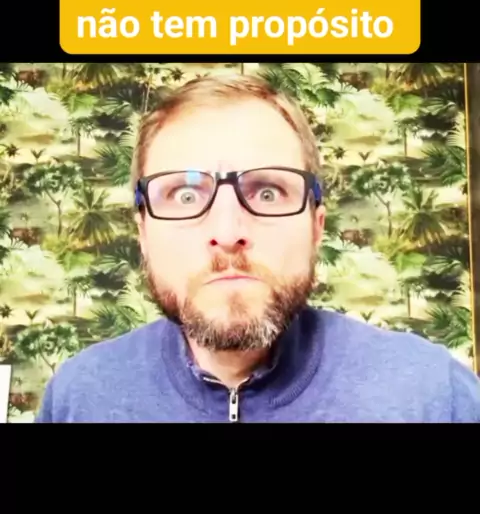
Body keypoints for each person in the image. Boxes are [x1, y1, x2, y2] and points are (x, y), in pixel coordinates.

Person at [36, 74, 480, 423]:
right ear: (143, 233)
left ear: (316, 227)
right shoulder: (78, 398)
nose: (228, 232)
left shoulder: (433, 395)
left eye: (268, 192)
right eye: (185, 196)